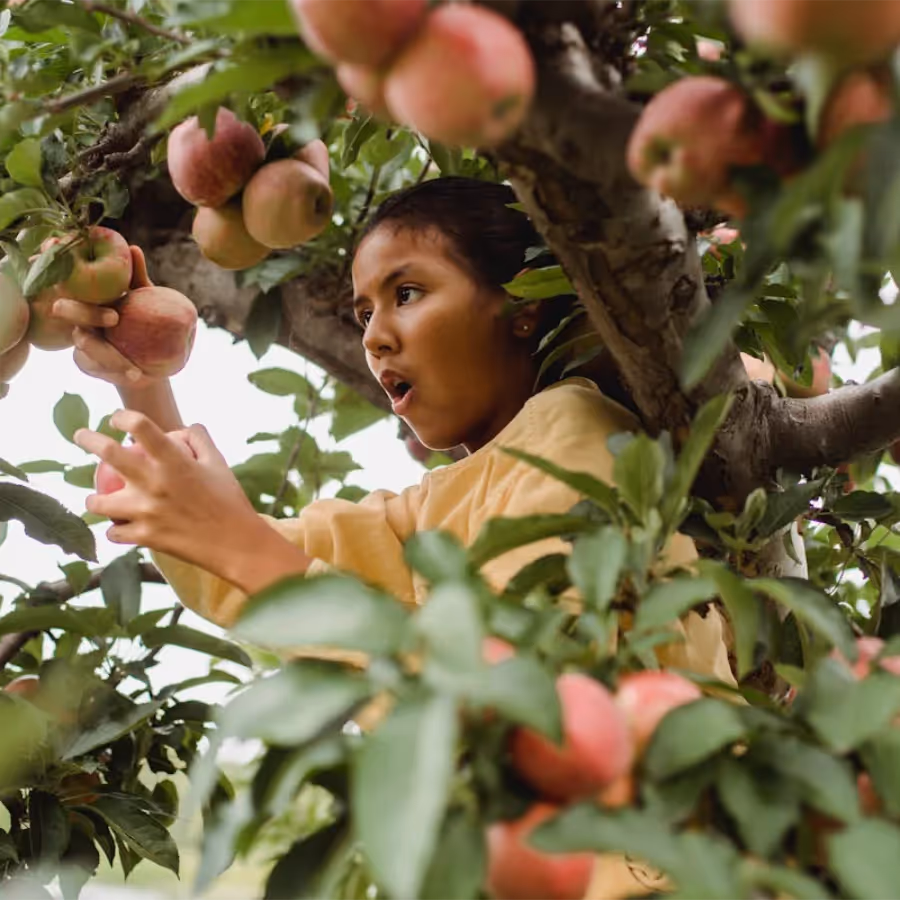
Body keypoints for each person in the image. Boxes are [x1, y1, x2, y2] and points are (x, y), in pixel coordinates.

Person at [63, 176, 736, 900]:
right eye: (363, 311)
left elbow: (531, 711)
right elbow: (229, 565)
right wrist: (144, 376)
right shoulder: (436, 506)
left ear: (523, 304)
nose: (375, 335)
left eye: (407, 293)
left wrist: (238, 544)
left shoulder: (576, 428)